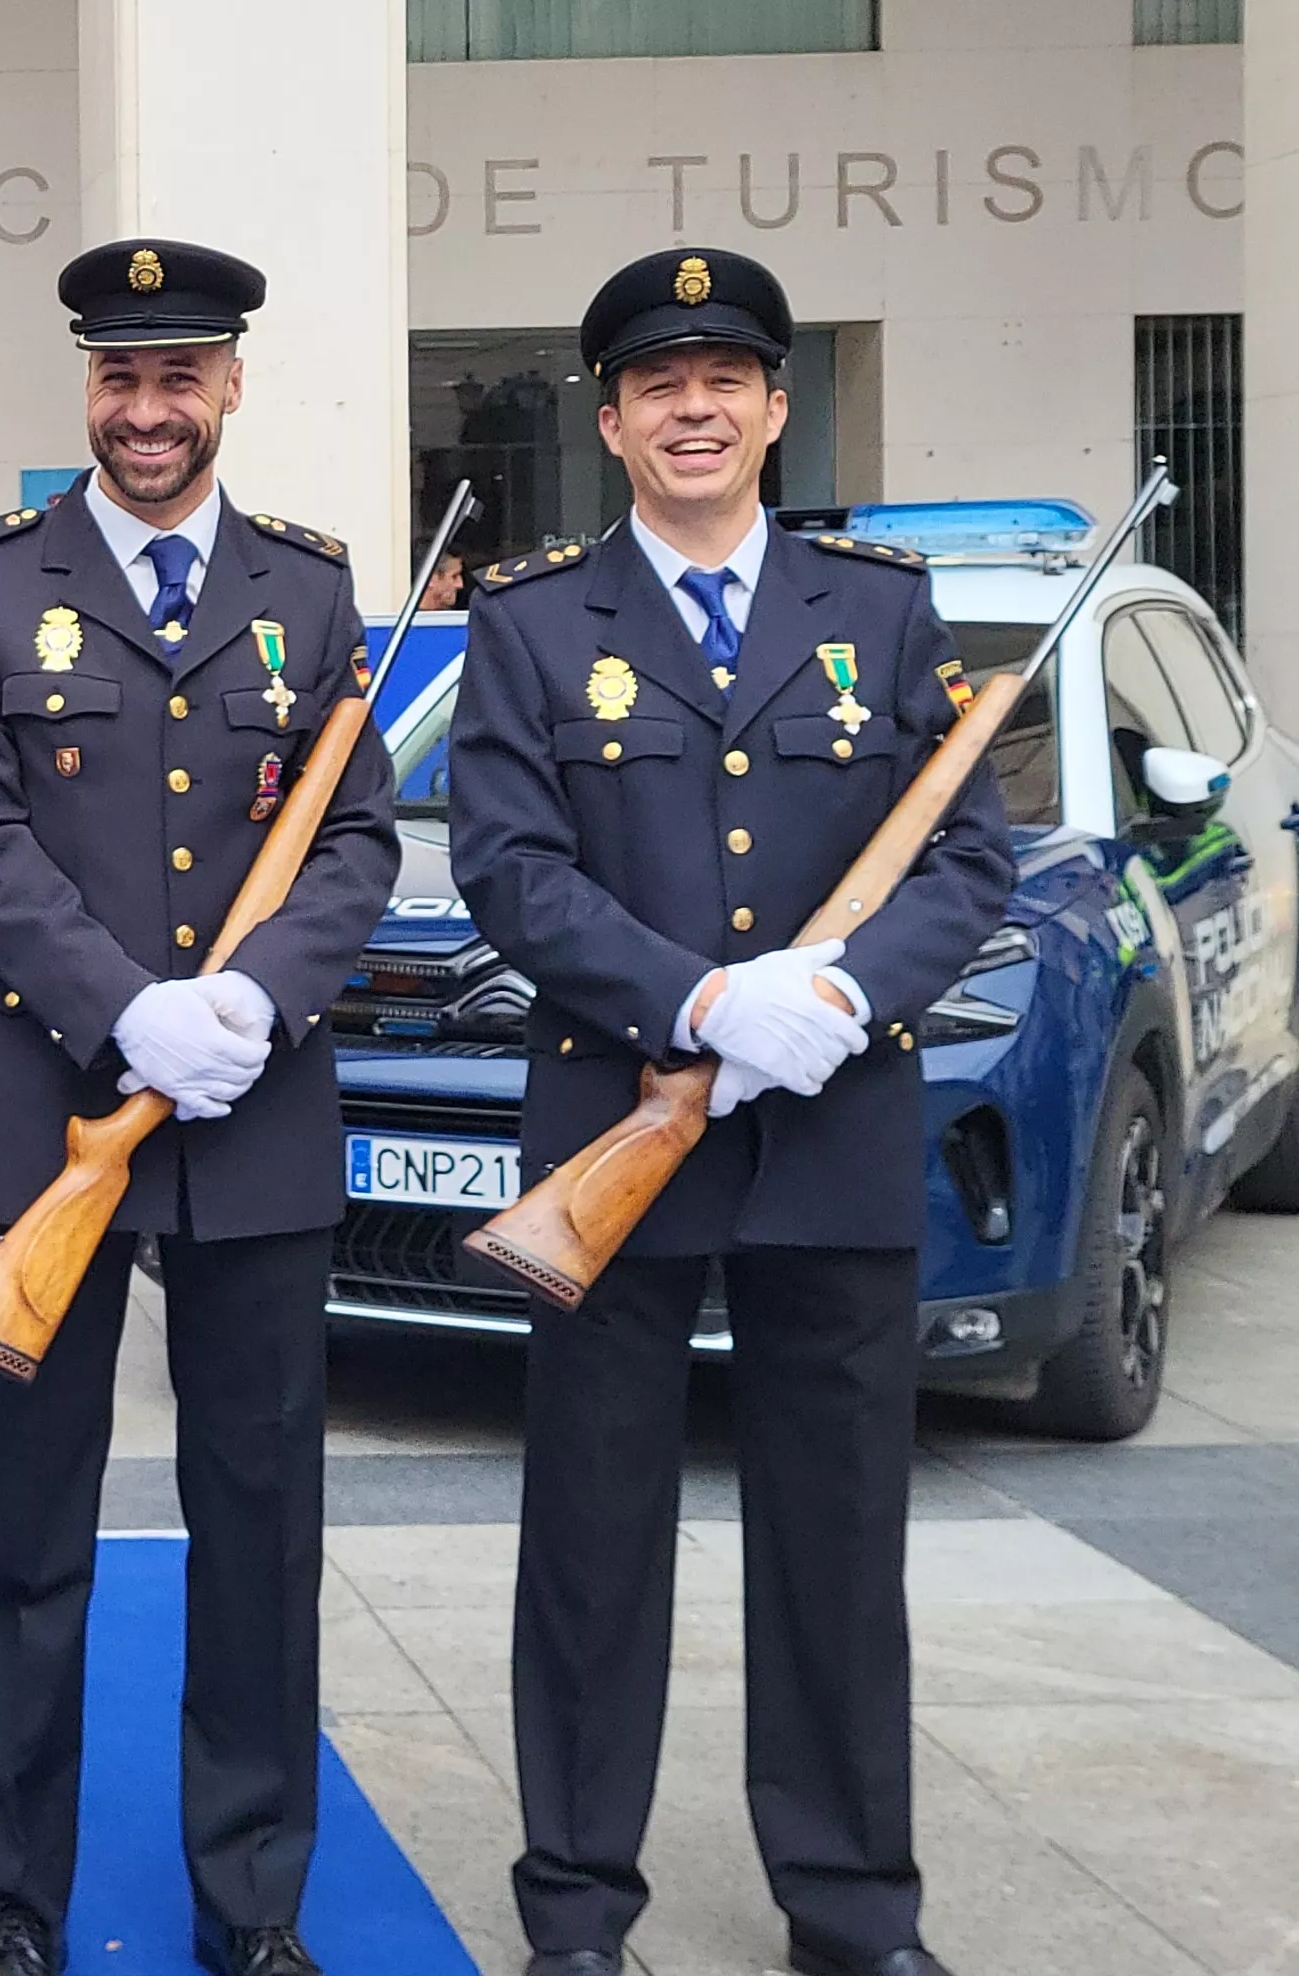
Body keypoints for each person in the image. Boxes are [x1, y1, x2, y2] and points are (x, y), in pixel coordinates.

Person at [447, 248, 1013, 1976]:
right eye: (657, 385)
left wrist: (838, 995)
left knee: (839, 1545)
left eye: (727, 381)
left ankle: (851, 1910)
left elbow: (965, 850)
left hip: (830, 1140)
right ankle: (577, 1914)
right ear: (611, 422)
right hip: (622, 1134)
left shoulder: (881, 612)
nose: (694, 408)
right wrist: (696, 1002)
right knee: (595, 1545)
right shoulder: (535, 623)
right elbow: (508, 870)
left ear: (774, 409)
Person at [0, 238, 400, 1976]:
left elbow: (355, 840)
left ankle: (252, 1902)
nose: (148, 409)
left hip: (257, 1116)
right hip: (57, 1114)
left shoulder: (314, 591)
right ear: (85, 392)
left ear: (232, 387)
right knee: (30, 1536)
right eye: (120, 377)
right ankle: (19, 1903)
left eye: (180, 375)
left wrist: (251, 1003)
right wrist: (133, 1013)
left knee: (260, 1525)